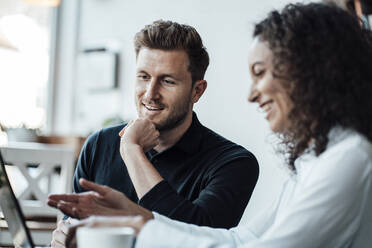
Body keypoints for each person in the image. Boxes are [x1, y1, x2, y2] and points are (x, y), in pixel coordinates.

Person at [56, 2, 372, 248]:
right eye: (142, 76)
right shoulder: (315, 157)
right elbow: (240, 239)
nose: (251, 94)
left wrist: (139, 225)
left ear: (310, 75)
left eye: (260, 73)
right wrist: (136, 217)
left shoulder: (349, 157)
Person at [49, 20, 259, 247]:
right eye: (144, 77)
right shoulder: (99, 144)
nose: (150, 94)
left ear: (197, 91)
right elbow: (75, 224)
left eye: (167, 81)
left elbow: (197, 237)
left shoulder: (234, 163)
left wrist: (132, 151)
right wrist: (64, 237)